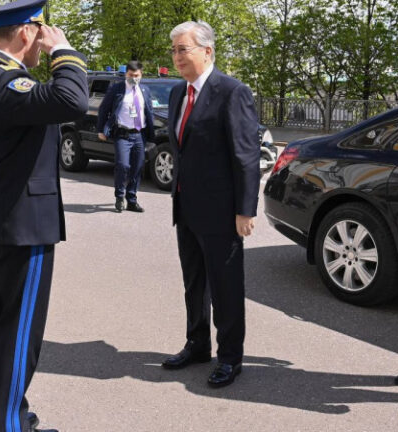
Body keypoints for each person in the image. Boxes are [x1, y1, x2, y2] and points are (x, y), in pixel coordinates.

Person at [0, 0, 88, 430]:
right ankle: (9, 425)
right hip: (22, 226)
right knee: (19, 333)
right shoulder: (3, 81)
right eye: (42, 30)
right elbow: (71, 99)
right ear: (27, 33)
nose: (46, 37)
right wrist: (64, 52)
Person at [160, 21, 260, 388]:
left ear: (207, 51)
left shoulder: (232, 92)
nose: (176, 57)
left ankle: (230, 357)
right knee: (194, 283)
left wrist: (245, 209)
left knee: (225, 287)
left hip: (221, 212)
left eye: (182, 49)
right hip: (186, 207)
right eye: (173, 51)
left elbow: (246, 156)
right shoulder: (177, 94)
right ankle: (197, 344)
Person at [96, 60, 155, 212]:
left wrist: (151, 135)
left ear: (141, 75)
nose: (133, 78)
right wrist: (101, 130)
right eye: (130, 75)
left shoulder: (145, 90)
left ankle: (132, 199)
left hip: (139, 135)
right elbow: (104, 109)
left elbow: (149, 112)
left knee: (137, 168)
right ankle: (119, 196)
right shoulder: (117, 89)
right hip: (122, 134)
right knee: (123, 165)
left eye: (136, 75)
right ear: (125, 74)